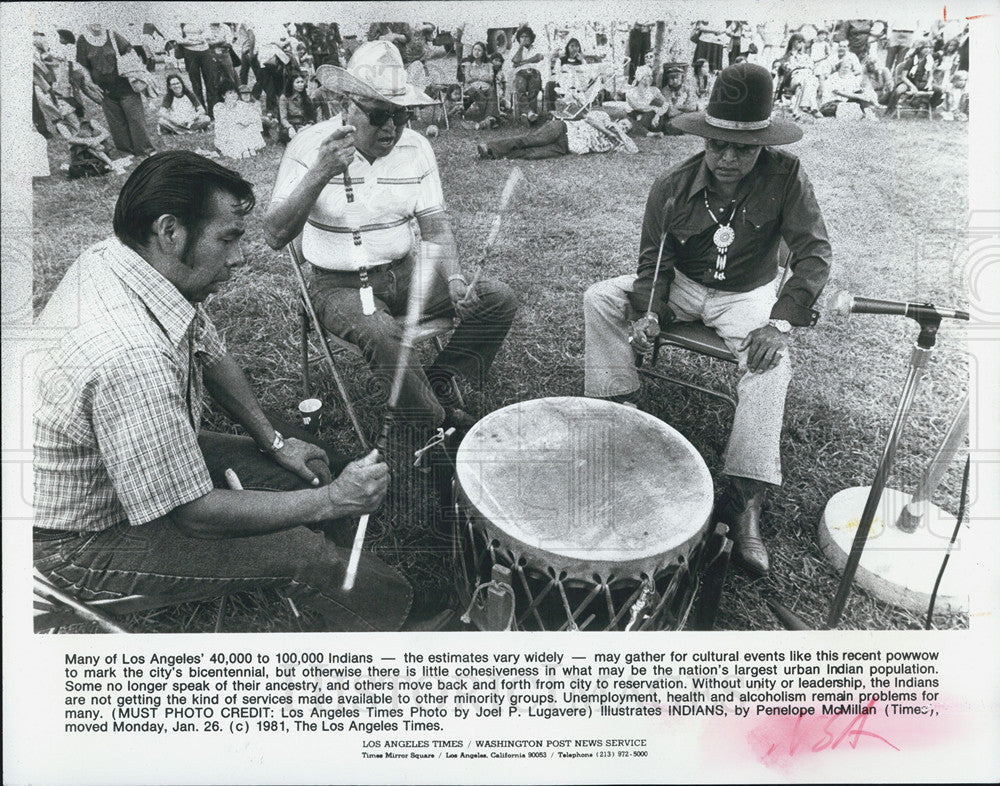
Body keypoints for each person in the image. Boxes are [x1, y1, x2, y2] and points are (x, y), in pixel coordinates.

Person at [33, 150, 429, 632]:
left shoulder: (124, 259)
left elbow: (211, 353)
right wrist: (333, 502)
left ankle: (339, 558)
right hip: (73, 541)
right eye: (228, 238)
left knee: (312, 467)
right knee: (304, 551)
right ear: (169, 230)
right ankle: (416, 624)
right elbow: (194, 515)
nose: (239, 258)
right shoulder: (130, 354)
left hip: (117, 465)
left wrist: (274, 441)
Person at [582, 63, 831, 576]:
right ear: (704, 138)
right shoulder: (671, 185)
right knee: (601, 298)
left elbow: (814, 254)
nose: (728, 157)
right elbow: (653, 261)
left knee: (771, 365)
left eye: (743, 147)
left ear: (763, 142)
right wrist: (651, 310)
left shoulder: (787, 176)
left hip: (748, 296)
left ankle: (745, 503)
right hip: (685, 288)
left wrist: (779, 323)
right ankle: (620, 414)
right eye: (718, 144)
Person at [264, 41, 517, 431]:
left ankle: (436, 378)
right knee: (383, 332)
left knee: (497, 299)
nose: (392, 128)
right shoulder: (309, 146)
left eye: (402, 115)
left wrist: (452, 278)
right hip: (339, 285)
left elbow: (435, 226)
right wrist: (320, 171)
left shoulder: (417, 147)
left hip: (407, 271)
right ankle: (438, 425)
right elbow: (275, 234)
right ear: (345, 105)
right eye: (379, 114)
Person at [75, 23, 156, 157]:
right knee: (116, 122)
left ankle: (145, 150)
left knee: (136, 119)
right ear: (87, 22)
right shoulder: (82, 40)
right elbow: (83, 65)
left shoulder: (113, 35)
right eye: (92, 19)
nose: (96, 24)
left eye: (98, 19)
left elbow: (131, 53)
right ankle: (125, 152)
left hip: (126, 87)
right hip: (104, 90)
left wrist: (135, 72)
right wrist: (89, 82)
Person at [477, 108, 637, 159]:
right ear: (617, 120)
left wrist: (619, 135)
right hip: (563, 129)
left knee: (532, 154)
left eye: (626, 129)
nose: (623, 128)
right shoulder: (604, 117)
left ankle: (493, 154)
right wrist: (607, 129)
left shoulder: (615, 142)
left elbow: (634, 151)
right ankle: (489, 146)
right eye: (622, 124)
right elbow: (588, 117)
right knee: (530, 140)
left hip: (565, 147)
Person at [885, 40, 943, 114]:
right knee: (898, 90)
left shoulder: (929, 59)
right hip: (908, 82)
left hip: (919, 82)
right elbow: (903, 77)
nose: (928, 50)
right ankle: (890, 109)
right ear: (919, 48)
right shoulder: (911, 60)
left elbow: (930, 75)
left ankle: (929, 106)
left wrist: (929, 83)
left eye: (930, 47)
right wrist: (912, 86)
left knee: (940, 90)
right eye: (925, 47)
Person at [177, 23, 219, 118]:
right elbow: (177, 38)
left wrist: (190, 40)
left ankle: (213, 113)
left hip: (205, 52)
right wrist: (197, 40)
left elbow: (208, 35)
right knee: (196, 84)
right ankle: (202, 112)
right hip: (189, 53)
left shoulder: (201, 18)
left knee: (210, 82)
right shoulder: (180, 20)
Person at [214, 83, 265, 158]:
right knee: (235, 131)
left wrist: (245, 123)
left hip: (243, 129)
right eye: (230, 93)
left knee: (250, 127)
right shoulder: (219, 107)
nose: (234, 95)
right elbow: (223, 123)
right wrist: (237, 123)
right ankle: (243, 149)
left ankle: (250, 148)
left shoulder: (242, 105)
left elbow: (253, 117)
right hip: (228, 133)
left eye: (235, 92)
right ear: (223, 95)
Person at [511, 25, 546, 124]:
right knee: (520, 87)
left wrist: (523, 62)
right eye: (522, 37)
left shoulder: (537, 47)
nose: (524, 38)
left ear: (531, 38)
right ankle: (530, 112)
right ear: (518, 38)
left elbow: (538, 57)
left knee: (533, 88)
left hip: (534, 71)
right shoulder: (516, 48)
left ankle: (525, 114)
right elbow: (515, 60)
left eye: (527, 36)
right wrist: (521, 46)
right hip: (520, 73)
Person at [625, 65, 670, 135]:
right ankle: (649, 132)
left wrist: (657, 115)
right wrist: (653, 108)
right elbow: (636, 106)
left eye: (651, 76)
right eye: (648, 76)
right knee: (635, 119)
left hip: (652, 117)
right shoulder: (631, 92)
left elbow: (666, 103)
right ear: (642, 78)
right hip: (637, 114)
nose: (651, 78)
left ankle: (649, 130)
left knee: (657, 104)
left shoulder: (654, 90)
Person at [278, 71, 317, 142]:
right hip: (291, 125)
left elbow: (312, 114)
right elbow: (283, 118)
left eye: (302, 82)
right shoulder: (284, 98)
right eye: (297, 82)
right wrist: (289, 127)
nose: (301, 85)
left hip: (304, 125)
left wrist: (309, 124)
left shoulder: (305, 96)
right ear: (291, 84)